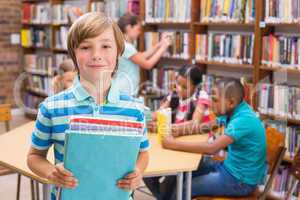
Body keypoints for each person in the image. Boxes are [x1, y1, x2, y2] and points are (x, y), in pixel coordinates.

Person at [27, 12, 150, 200]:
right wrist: (51, 172)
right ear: (73, 55)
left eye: (106, 46)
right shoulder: (51, 107)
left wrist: (137, 172)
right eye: (85, 47)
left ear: (119, 52)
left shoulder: (135, 108)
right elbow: (34, 156)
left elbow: (143, 153)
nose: (96, 55)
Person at [162, 78, 266, 199]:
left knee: (186, 186)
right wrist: (179, 131)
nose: (210, 103)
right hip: (228, 168)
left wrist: (173, 144)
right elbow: (208, 126)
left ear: (231, 102)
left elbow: (212, 148)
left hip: (240, 181)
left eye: (215, 100)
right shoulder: (235, 109)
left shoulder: (242, 120)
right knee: (181, 175)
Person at [144, 64, 215, 200]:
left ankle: (167, 196)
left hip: (195, 147)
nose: (179, 90)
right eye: (178, 84)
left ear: (196, 86)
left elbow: (194, 123)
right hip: (174, 142)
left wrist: (166, 128)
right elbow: (158, 114)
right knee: (146, 170)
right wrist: (146, 117)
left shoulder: (202, 97)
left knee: (172, 177)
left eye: (185, 87)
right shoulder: (174, 94)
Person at [116, 12, 172, 96]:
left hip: (124, 89)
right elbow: (147, 64)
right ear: (128, 28)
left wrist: (159, 45)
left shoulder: (124, 44)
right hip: (125, 90)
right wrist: (163, 48)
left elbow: (141, 56)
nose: (139, 32)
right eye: (138, 29)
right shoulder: (127, 47)